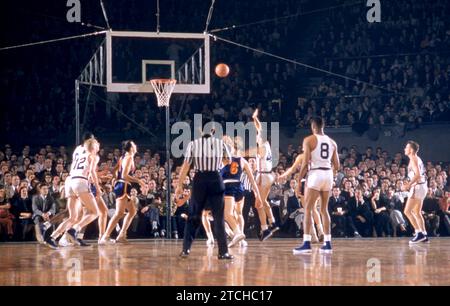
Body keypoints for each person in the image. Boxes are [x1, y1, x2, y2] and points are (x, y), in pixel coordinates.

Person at [175, 127, 233, 260]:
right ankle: (223, 252)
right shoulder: (220, 143)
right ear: (213, 130)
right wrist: (216, 163)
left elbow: (186, 165)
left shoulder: (193, 144)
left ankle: (186, 249)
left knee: (194, 214)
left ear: (201, 131)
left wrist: (179, 184)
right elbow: (228, 161)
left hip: (200, 178)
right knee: (219, 217)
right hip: (215, 178)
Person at [45, 135, 102, 248]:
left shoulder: (79, 153)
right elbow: (92, 172)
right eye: (97, 143)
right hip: (81, 182)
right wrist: (98, 188)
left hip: (71, 180)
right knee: (95, 212)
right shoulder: (94, 156)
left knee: (73, 216)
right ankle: (75, 230)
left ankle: (52, 237)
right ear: (94, 146)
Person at [293, 117, 339, 254]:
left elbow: (305, 163)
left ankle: (306, 243)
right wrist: (331, 175)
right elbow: (337, 165)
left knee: (308, 209)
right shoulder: (332, 142)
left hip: (315, 173)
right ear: (323, 126)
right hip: (328, 174)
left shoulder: (309, 140)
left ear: (313, 127)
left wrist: (298, 182)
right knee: (324, 210)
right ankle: (327, 243)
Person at [100, 140, 145, 244]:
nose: (136, 145)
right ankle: (105, 236)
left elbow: (114, 170)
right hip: (123, 185)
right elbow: (124, 175)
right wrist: (139, 181)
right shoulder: (128, 158)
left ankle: (122, 234)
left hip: (123, 185)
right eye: (134, 144)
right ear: (131, 148)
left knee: (132, 211)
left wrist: (115, 179)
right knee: (119, 213)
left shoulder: (123, 157)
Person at [221, 136, 262, 248]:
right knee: (238, 214)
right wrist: (258, 195)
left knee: (227, 214)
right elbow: (252, 180)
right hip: (240, 188)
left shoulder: (224, 158)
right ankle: (240, 238)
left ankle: (237, 233)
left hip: (229, 187)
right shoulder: (243, 160)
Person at [252, 109, 279, 241]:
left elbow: (259, 132)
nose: (256, 137)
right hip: (267, 175)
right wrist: (255, 118)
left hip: (263, 176)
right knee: (264, 201)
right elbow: (260, 128)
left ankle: (265, 229)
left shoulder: (261, 147)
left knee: (259, 204)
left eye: (257, 136)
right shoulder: (267, 144)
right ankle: (273, 222)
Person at [402, 141, 429, 244]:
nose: (404, 148)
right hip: (422, 186)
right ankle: (424, 234)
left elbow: (417, 175)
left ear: (411, 150)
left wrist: (408, 185)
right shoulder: (417, 158)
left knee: (407, 211)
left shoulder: (413, 158)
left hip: (417, 187)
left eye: (406, 147)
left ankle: (419, 233)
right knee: (417, 212)